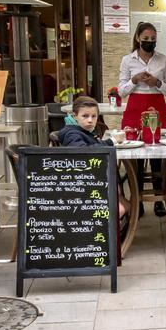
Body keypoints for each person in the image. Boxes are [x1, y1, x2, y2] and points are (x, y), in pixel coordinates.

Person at [119, 22, 166, 218]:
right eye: (146, 39)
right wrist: (134, 81)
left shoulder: (163, 60)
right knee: (136, 155)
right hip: (135, 106)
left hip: (156, 104)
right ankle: (138, 200)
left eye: (153, 39)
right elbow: (121, 91)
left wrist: (156, 82)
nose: (149, 42)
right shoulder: (127, 60)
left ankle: (159, 200)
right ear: (137, 38)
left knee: (158, 155)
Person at [59, 95, 129, 234]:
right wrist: (110, 143)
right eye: (85, 116)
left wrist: (111, 141)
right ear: (75, 116)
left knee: (126, 202)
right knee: (122, 207)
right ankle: (105, 237)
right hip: (81, 187)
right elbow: (84, 153)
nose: (90, 120)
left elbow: (93, 146)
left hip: (89, 181)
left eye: (94, 116)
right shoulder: (72, 134)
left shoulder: (81, 131)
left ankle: (115, 235)